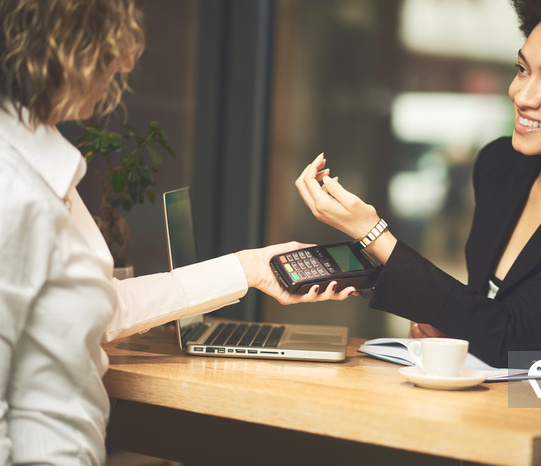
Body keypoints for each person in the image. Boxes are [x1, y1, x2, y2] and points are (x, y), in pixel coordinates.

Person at [0, 0, 354, 464]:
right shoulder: (13, 187)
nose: (127, 63)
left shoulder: (41, 166)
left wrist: (248, 268)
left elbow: (104, 307)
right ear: (62, 44)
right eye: (113, 44)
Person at [297, 0, 541, 369]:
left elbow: (513, 336)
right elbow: (484, 311)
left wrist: (373, 234)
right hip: (491, 414)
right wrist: (448, 326)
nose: (523, 96)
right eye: (522, 69)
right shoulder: (500, 164)